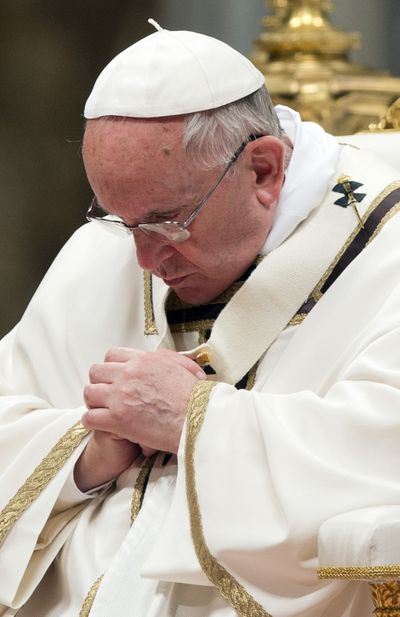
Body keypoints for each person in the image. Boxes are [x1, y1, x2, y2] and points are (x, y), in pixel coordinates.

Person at [1, 19, 400, 617]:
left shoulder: (385, 252)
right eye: (119, 219)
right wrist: (84, 457)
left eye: (165, 222)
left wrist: (196, 421)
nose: (142, 258)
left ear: (263, 171)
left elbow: (378, 450)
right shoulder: (109, 246)